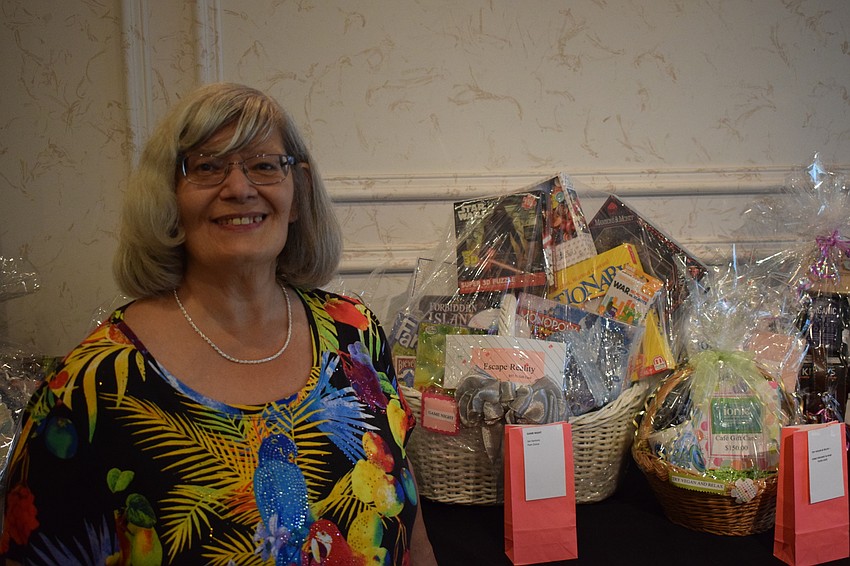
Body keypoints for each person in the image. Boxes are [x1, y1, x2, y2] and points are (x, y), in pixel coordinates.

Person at [0, 82, 436, 565]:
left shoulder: (356, 335)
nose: (239, 188)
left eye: (265, 165)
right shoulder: (91, 386)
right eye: (207, 166)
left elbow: (408, 524)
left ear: (300, 190)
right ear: (168, 196)